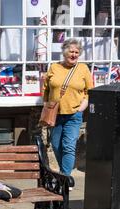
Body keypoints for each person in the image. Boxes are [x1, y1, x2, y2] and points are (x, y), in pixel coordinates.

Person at [43, 38, 94, 178]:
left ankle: (65, 177)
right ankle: (63, 173)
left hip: (74, 115)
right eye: (71, 51)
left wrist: (81, 108)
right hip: (55, 114)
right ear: (65, 52)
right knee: (56, 145)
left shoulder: (83, 68)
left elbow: (90, 91)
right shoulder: (54, 67)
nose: (74, 54)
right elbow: (46, 88)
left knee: (69, 147)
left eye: (77, 52)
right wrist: (46, 104)